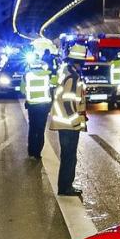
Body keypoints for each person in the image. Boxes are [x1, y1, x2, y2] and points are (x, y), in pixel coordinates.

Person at [49, 44, 89, 196]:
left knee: (67, 156)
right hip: (68, 124)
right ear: (80, 62)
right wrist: (75, 121)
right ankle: (66, 187)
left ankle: (64, 185)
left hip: (63, 122)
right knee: (69, 157)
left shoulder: (65, 72)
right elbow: (68, 102)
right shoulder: (73, 77)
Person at [23, 62, 53, 160]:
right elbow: (55, 83)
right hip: (44, 106)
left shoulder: (27, 75)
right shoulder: (48, 75)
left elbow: (23, 90)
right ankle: (37, 153)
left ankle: (31, 151)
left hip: (32, 106)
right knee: (41, 130)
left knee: (32, 129)